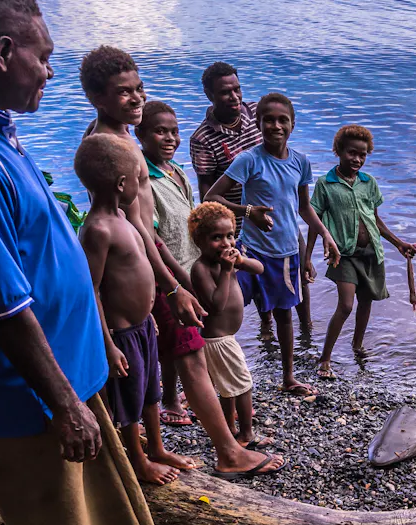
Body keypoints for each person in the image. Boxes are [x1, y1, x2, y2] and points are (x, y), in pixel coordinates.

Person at [0, 1, 162, 525]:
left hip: (66, 377)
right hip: (33, 403)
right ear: (5, 53)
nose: (51, 71)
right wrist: (64, 407)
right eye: (44, 57)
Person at [80, 46, 284, 477]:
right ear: (97, 98)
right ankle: (228, 452)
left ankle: (157, 449)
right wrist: (175, 287)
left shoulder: (107, 140)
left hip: (147, 277)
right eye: (123, 93)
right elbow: (142, 229)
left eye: (139, 89)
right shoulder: (116, 149)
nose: (136, 98)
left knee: (158, 366)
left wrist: (174, 281)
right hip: (141, 279)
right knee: (189, 357)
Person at [76, 133, 197, 485]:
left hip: (143, 326)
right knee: (128, 402)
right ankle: (137, 459)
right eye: (139, 178)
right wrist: (108, 344)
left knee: (149, 391)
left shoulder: (124, 219)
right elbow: (92, 290)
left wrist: (150, 318)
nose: (141, 184)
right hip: (121, 334)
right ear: (121, 183)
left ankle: (156, 447)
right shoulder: (98, 230)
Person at [206, 92, 340, 396]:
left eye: (283, 121)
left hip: (285, 256)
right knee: (226, 311)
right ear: (258, 123)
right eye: (269, 120)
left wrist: (326, 236)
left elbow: (304, 208)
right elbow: (211, 196)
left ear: (292, 125)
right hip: (248, 252)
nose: (275, 126)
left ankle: (288, 377)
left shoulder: (300, 162)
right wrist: (247, 211)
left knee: (284, 316)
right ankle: (214, 374)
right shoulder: (249, 160)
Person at [191, 62, 314, 337]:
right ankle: (259, 329)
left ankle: (306, 334)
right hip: (236, 218)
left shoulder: (254, 111)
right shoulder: (203, 138)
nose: (234, 97)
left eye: (237, 89)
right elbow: (207, 192)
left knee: (297, 269)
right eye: (225, 92)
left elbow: (280, 124)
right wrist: (239, 216)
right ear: (210, 95)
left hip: (276, 209)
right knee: (247, 284)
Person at [307, 125, 416, 378]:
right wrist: (307, 257)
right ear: (338, 151)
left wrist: (399, 243)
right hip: (344, 255)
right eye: (351, 153)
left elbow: (376, 220)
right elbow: (314, 222)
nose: (357, 159)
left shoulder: (368, 183)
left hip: (371, 252)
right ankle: (325, 358)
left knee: (366, 301)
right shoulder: (326, 184)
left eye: (362, 154)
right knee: (346, 305)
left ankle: (357, 346)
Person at [190, 203, 281, 462]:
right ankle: (247, 434)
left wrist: (240, 260)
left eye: (230, 235)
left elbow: (260, 268)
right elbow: (215, 306)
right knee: (242, 385)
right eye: (216, 237)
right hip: (217, 340)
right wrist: (228, 271)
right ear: (199, 240)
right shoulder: (201, 268)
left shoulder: (230, 258)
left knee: (228, 387)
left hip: (225, 338)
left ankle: (230, 430)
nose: (225, 242)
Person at [135, 100, 201, 427]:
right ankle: (173, 399)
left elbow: (190, 219)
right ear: (141, 134)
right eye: (161, 131)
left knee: (180, 340)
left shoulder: (177, 172)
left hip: (190, 269)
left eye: (174, 131)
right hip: (168, 277)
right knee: (180, 342)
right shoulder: (145, 180)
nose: (170, 138)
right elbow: (154, 240)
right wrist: (175, 282)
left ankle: (179, 393)